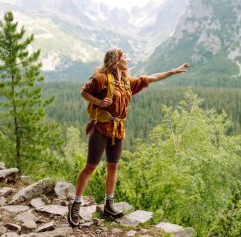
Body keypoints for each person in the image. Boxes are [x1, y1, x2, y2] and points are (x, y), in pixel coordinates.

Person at [67, 48, 189, 227]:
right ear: (116, 60)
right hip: (101, 128)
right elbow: (84, 92)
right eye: (125, 57)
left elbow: (151, 78)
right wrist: (99, 102)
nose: (128, 60)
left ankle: (109, 205)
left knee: (113, 167)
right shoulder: (101, 78)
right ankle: (76, 204)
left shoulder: (126, 82)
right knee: (90, 167)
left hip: (118, 130)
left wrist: (173, 71)